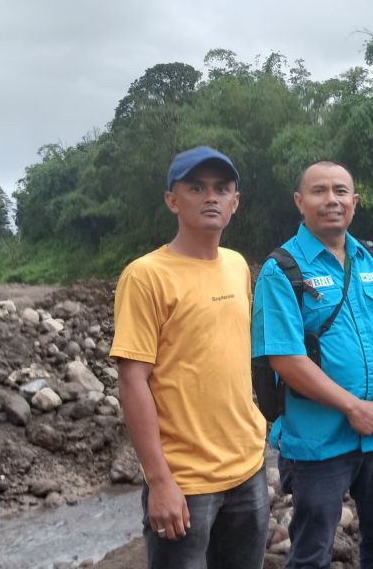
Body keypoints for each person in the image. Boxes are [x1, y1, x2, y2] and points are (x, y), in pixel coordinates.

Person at [252, 160, 373, 569]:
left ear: (355, 202)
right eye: (320, 191)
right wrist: (351, 407)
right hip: (318, 442)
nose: (332, 200)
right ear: (300, 202)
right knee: (311, 553)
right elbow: (286, 359)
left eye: (341, 191)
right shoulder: (282, 270)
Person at [110, 146, 269, 569]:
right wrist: (159, 480)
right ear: (172, 200)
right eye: (196, 187)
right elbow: (133, 380)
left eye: (222, 188)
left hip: (247, 468)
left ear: (235, 203)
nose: (211, 197)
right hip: (185, 482)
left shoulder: (237, 266)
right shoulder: (146, 276)